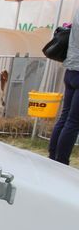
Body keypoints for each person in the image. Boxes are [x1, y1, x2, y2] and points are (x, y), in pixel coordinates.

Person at [49, 13, 79, 165]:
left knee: (65, 116)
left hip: (71, 69)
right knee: (73, 122)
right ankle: (61, 161)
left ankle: (53, 156)